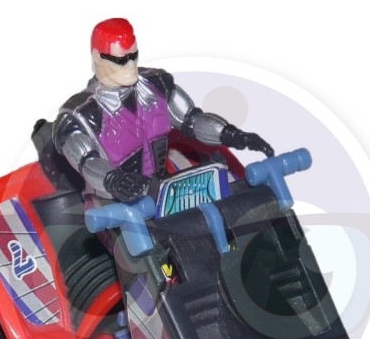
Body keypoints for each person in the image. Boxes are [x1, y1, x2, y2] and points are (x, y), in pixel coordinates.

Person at [53, 18, 274, 203]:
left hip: (163, 190)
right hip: (112, 204)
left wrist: (232, 134)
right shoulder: (81, 116)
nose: (131, 66)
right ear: (97, 57)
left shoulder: (156, 85)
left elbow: (191, 120)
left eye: (133, 56)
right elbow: (86, 161)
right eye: (121, 60)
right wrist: (113, 180)